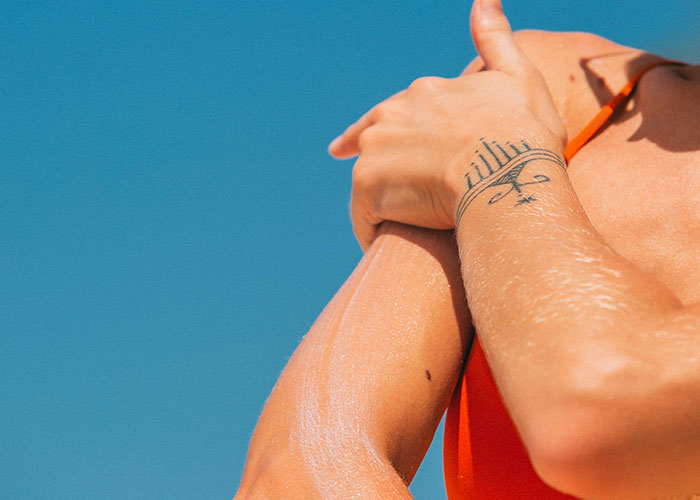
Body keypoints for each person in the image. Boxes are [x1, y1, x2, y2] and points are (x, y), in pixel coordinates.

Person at [234, 0, 700, 498]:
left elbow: (603, 412)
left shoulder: (509, 114)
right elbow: (301, 466)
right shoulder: (548, 86)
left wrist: (492, 157)